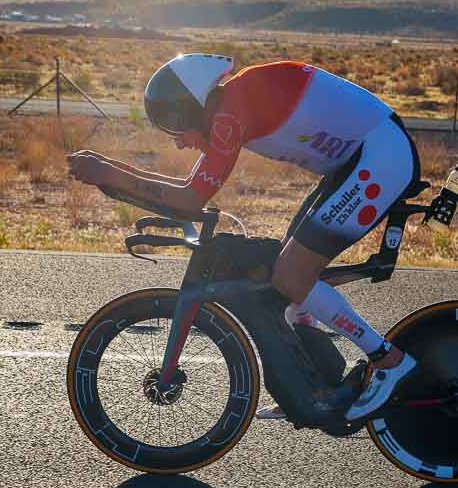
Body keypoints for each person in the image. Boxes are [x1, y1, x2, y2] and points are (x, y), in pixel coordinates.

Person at [67, 54, 419, 421]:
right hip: (362, 158)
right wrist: (111, 173)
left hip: (380, 158)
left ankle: (388, 360)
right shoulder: (230, 105)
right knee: (287, 271)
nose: (181, 144)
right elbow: (188, 192)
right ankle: (316, 381)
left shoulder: (229, 116)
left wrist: (109, 173)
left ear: (191, 109)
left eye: (176, 129)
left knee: (291, 274)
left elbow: (190, 200)